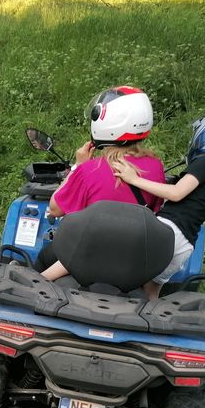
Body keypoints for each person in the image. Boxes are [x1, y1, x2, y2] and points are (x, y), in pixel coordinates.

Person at [112, 108, 205, 300]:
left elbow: (176, 194)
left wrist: (134, 179)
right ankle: (153, 325)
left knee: (115, 265)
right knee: (151, 291)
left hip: (167, 230)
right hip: (186, 244)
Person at [36, 86, 165, 276]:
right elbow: (154, 209)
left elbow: (55, 209)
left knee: (44, 257)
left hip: (87, 258)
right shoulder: (156, 167)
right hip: (132, 262)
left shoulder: (89, 170)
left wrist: (77, 167)